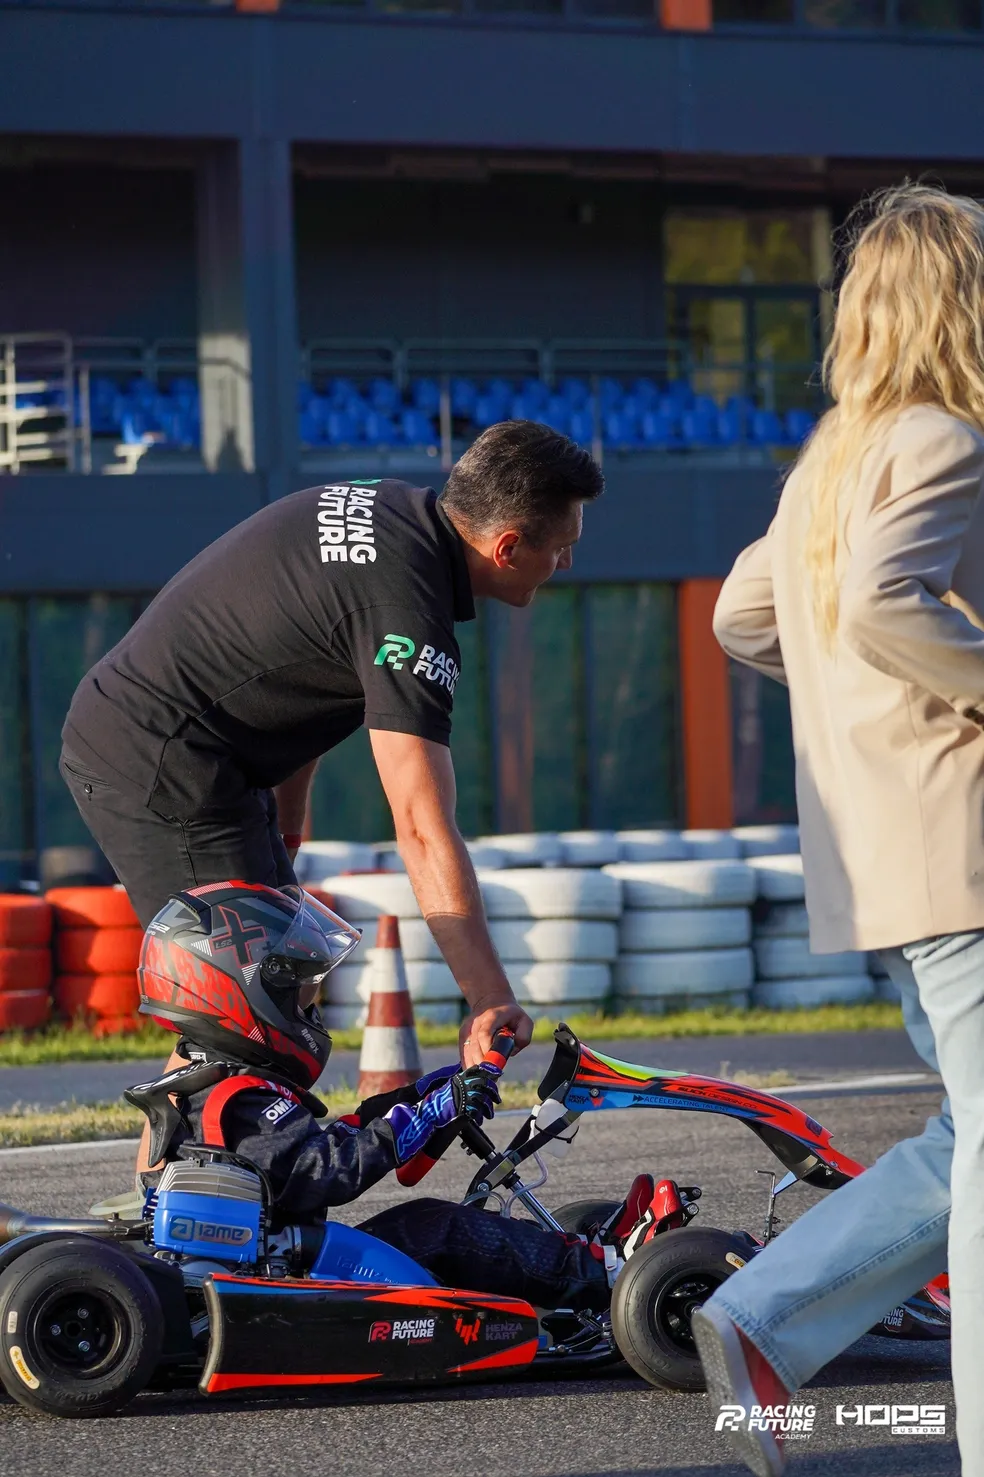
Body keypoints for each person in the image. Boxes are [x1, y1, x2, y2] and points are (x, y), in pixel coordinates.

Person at [693, 182, 984, 1477]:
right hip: (958, 843)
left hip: (876, 859)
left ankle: (763, 1319)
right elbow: (882, 599)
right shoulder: (945, 438)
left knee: (969, 1129)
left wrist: (857, 717)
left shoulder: (832, 455)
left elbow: (743, 622)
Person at [60, 419, 603, 1108]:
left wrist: (283, 848)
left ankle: (200, 1190)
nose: (567, 566)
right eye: (561, 549)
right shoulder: (408, 611)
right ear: (506, 546)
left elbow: (298, 679)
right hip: (162, 755)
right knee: (245, 1016)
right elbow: (421, 823)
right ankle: (181, 1204)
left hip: (189, 742)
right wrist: (488, 995)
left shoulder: (395, 510)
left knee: (281, 979)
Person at [132, 880, 662, 1308]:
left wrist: (436, 1090)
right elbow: (328, 1169)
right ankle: (615, 1272)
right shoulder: (235, 1096)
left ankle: (575, 1263)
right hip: (284, 1275)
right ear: (242, 991)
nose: (310, 1006)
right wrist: (432, 1110)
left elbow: (325, 1143)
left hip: (282, 1258)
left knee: (430, 1225)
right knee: (441, 1227)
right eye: (301, 990)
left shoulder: (221, 1087)